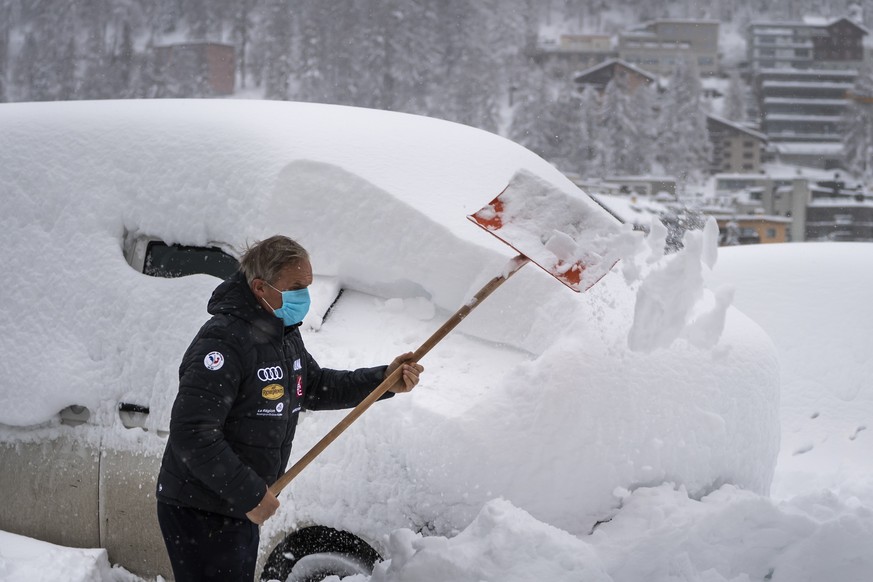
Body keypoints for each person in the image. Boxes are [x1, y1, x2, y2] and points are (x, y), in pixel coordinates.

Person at [155, 235, 423, 581]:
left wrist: (383, 382)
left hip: (237, 505)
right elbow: (192, 433)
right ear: (260, 288)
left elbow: (314, 386)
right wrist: (250, 493)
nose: (304, 296)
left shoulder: (281, 332)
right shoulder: (223, 342)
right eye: (296, 287)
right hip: (201, 506)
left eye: (308, 285)